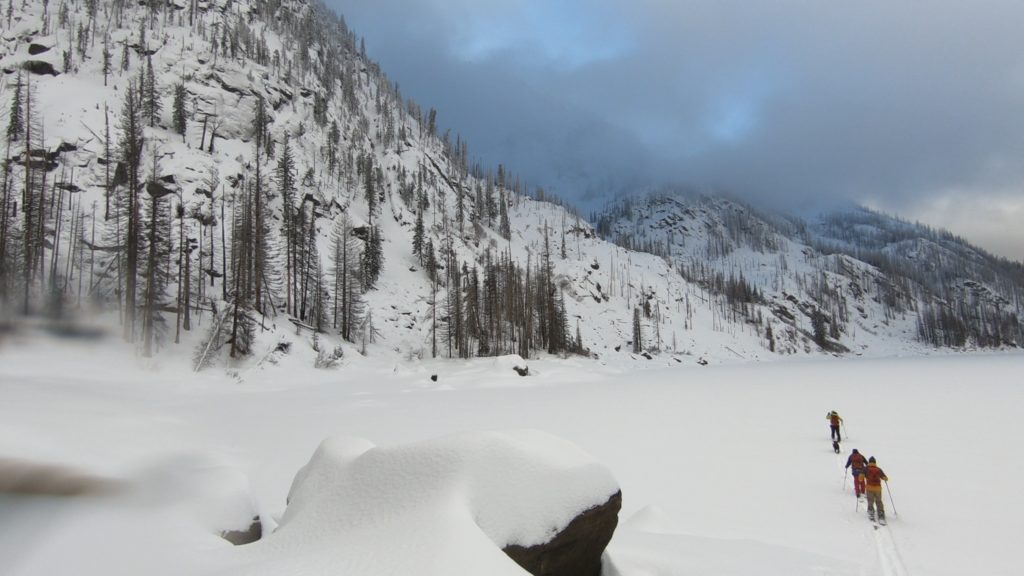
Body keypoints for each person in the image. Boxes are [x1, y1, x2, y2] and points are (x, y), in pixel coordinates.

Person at [864, 456, 889, 523]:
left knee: (870, 500)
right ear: (875, 462)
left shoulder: (866, 468)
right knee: (879, 501)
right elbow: (885, 477)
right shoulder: (878, 469)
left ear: (869, 462)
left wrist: (860, 478)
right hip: (878, 488)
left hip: (869, 488)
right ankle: (881, 514)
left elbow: (861, 475)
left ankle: (871, 511)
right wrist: (885, 478)